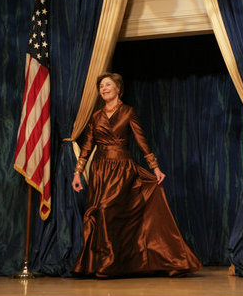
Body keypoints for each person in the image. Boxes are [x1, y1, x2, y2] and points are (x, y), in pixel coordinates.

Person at [71, 72, 202, 278]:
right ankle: (108, 264)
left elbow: (141, 141)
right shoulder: (96, 117)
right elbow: (87, 146)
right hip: (100, 171)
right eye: (101, 86)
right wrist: (78, 173)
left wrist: (155, 168)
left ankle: (110, 264)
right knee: (103, 215)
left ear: (118, 88)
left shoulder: (128, 112)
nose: (103, 88)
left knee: (106, 210)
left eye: (107, 85)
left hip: (123, 170)